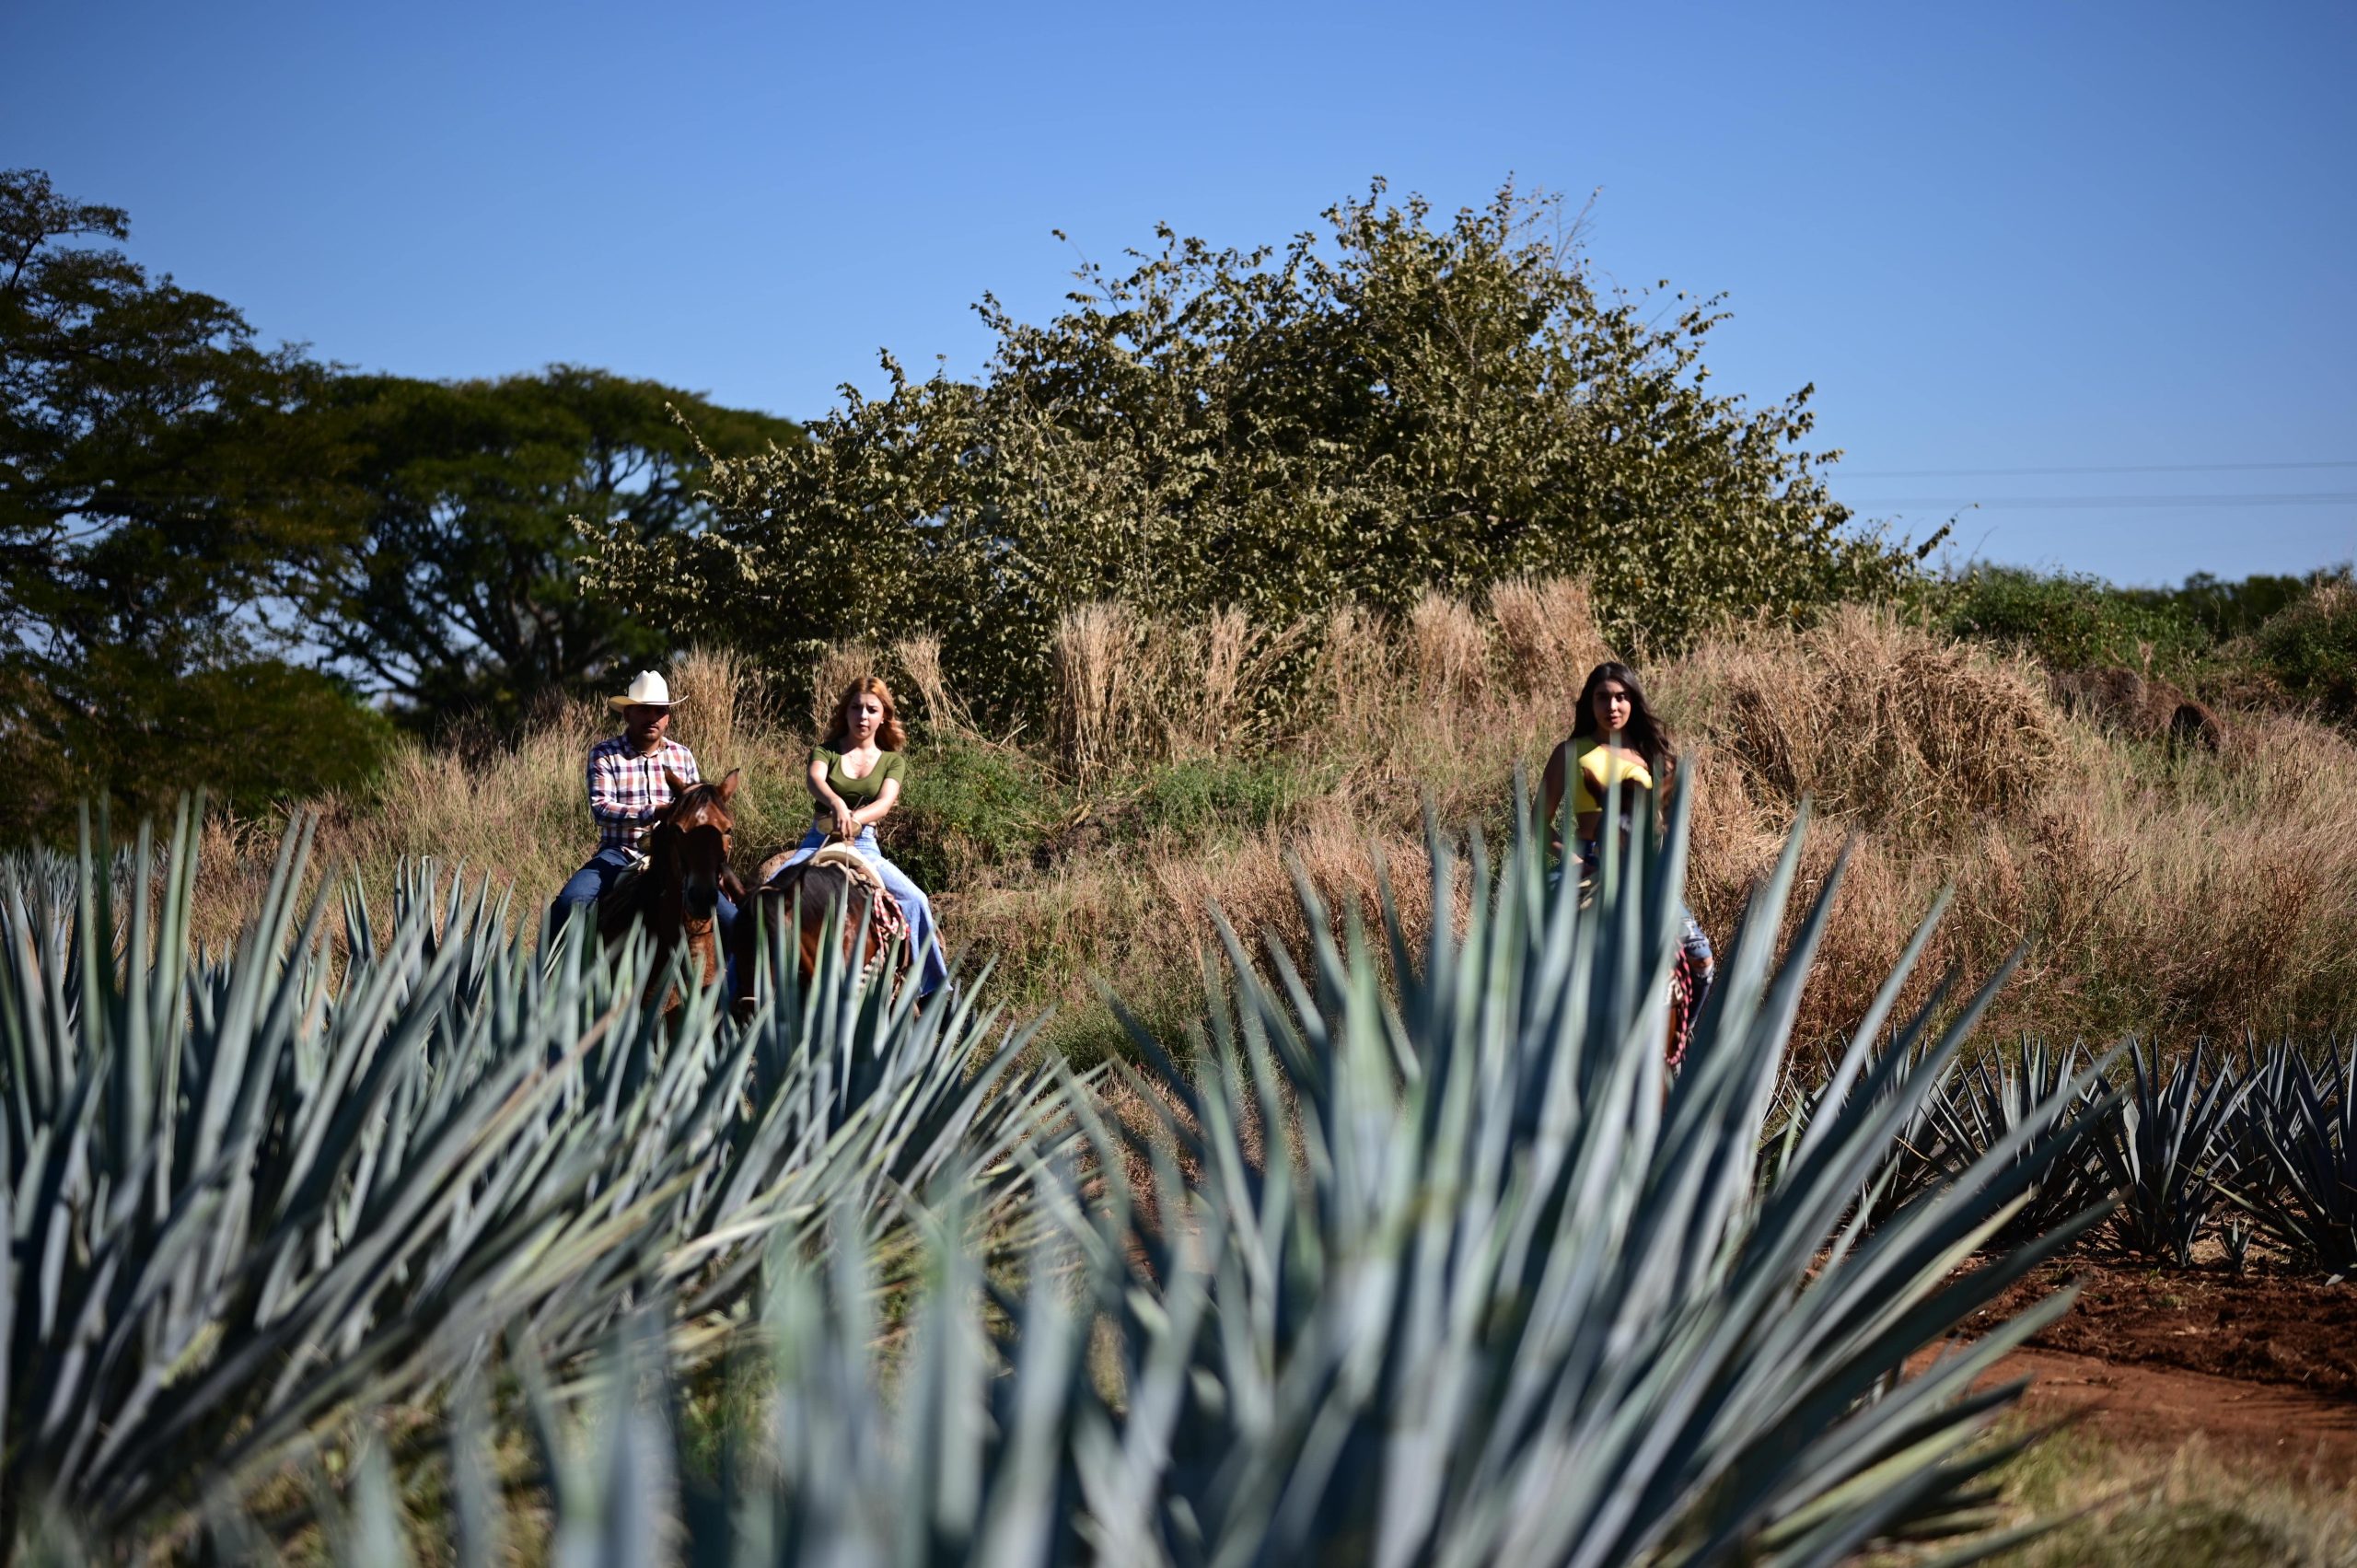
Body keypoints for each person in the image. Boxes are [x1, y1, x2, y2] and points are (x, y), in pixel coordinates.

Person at [1541, 661, 1714, 1017]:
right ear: (1590, 704)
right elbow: (1537, 824)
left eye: (1621, 697)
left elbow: (1666, 826)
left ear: (1633, 702)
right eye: (1602, 698)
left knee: (1700, 959)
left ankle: (1680, 1042)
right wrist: (1572, 859)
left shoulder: (1654, 757)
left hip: (1643, 874)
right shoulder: (1570, 753)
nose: (1612, 706)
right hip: (1586, 867)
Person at [764, 674, 949, 995]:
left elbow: (885, 803)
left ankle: (934, 992)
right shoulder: (826, 751)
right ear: (845, 712)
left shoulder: (892, 761)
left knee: (917, 900)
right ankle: (735, 989)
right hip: (818, 839)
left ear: (883, 716)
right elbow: (814, 780)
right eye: (856, 708)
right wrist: (835, 803)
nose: (862, 716)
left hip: (864, 844)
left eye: (871, 710)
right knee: (765, 895)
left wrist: (856, 818)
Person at [552, 670, 739, 950]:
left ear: (668, 717)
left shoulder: (682, 755)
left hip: (676, 855)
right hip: (619, 852)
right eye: (644, 710)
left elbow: (699, 811)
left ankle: (737, 986)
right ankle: (552, 974)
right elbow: (601, 809)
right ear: (628, 714)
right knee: (571, 902)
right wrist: (653, 812)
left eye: (659, 711)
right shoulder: (604, 754)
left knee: (732, 919)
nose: (652, 717)